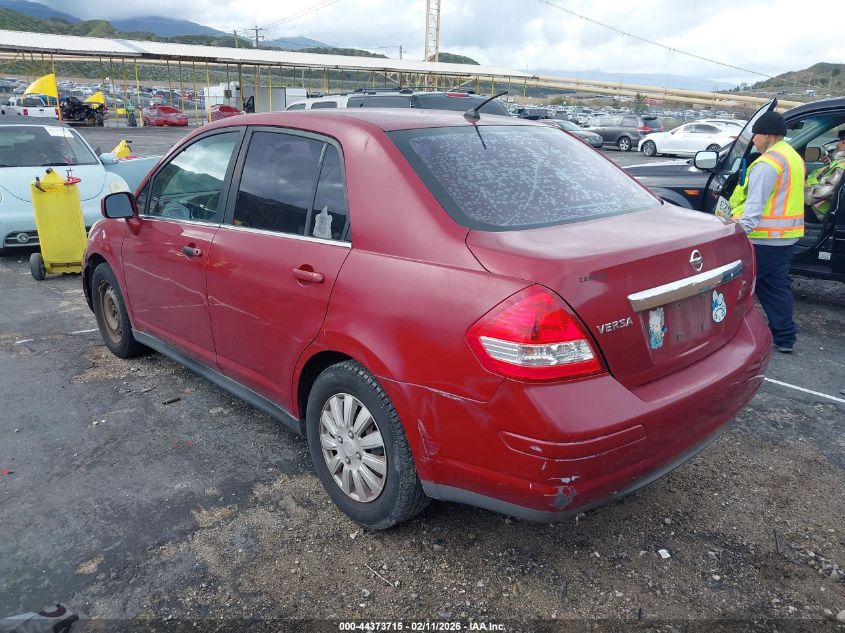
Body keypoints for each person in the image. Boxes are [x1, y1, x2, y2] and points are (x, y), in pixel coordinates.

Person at [728, 111, 804, 353]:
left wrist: (739, 232)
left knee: (738, 287)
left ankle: (728, 336)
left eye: (756, 135)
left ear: (768, 136)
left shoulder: (767, 163)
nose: (754, 140)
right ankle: (785, 337)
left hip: (762, 238)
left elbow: (755, 205)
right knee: (775, 287)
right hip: (785, 237)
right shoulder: (792, 156)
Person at [804, 129, 845, 220]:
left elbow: (828, 190)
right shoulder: (838, 162)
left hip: (816, 211)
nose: (838, 145)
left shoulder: (842, 167)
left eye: (843, 142)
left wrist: (802, 195)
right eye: (840, 141)